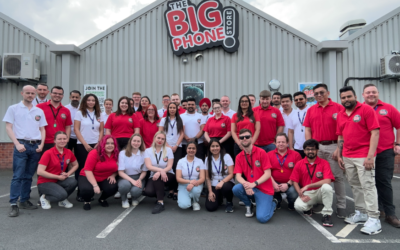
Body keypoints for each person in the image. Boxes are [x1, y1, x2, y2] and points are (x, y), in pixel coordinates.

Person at [337, 86, 382, 235]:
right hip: (348, 155)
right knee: (355, 185)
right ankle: (361, 212)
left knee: (368, 185)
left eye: (349, 96)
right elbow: (341, 136)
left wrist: (370, 156)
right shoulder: (341, 114)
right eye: (343, 98)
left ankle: (374, 219)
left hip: (364, 155)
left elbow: (375, 133)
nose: (346, 100)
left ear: (356, 96)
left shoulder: (366, 110)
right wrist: (340, 155)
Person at [303, 83, 347, 218]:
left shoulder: (339, 108)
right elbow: (308, 129)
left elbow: (345, 129)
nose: (319, 95)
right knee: (317, 176)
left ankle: (341, 206)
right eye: (316, 94)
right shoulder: (311, 110)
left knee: (338, 177)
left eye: (322, 92)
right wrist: (310, 147)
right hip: (317, 148)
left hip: (334, 146)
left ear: (328, 93)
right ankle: (320, 203)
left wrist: (339, 149)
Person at [3, 85, 47, 217]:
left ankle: (24, 200)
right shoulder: (14, 108)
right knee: (18, 176)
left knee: (28, 176)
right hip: (21, 145)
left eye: (32, 93)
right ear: (22, 93)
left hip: (35, 146)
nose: (30, 95)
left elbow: (42, 129)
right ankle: (13, 204)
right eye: (27, 93)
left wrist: (41, 145)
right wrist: (16, 144)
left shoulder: (38, 111)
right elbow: (8, 127)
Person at [362, 83, 400, 228]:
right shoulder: (360, 109)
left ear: (378, 93)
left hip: (384, 152)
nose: (371, 94)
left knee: (384, 182)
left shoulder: (388, 108)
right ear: (363, 95)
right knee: (368, 183)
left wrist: (398, 144)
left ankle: (390, 214)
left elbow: (399, 125)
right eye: (368, 92)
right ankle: (376, 209)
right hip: (365, 153)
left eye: (373, 92)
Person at [232, 129, 277, 223]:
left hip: (265, 190)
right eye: (241, 137)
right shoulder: (239, 156)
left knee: (262, 218)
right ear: (239, 140)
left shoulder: (261, 152)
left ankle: (273, 203)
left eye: (247, 137)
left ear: (252, 138)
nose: (244, 139)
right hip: (251, 188)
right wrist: (246, 184)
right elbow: (238, 176)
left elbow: (268, 173)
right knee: (236, 189)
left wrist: (253, 184)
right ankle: (249, 205)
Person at [291, 139, 335, 227]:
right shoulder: (299, 164)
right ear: (304, 151)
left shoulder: (324, 163)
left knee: (327, 187)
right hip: (308, 193)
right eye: (308, 149)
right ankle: (311, 207)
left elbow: (328, 181)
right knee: (298, 206)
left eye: (313, 149)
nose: (310, 151)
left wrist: (308, 185)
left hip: (320, 192)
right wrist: (300, 193)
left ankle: (327, 214)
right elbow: (294, 181)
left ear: (317, 150)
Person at [37, 131, 79, 209]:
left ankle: (62, 200)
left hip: (58, 180)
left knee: (73, 182)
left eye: (64, 139)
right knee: (62, 194)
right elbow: (40, 171)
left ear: (67, 140)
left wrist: (68, 173)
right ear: (55, 141)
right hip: (45, 182)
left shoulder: (68, 152)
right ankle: (44, 198)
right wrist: (57, 177)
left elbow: (76, 165)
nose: (62, 141)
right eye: (59, 139)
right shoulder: (48, 153)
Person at [73, 94, 104, 201]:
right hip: (82, 144)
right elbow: (76, 130)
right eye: (89, 100)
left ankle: (91, 190)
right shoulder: (79, 113)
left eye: (93, 100)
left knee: (94, 167)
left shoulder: (99, 114)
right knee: (82, 168)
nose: (91, 102)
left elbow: (101, 130)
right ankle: (81, 192)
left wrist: (99, 142)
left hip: (96, 144)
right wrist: (85, 144)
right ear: (85, 101)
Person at [78, 135, 119, 210]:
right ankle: (87, 201)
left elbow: (118, 169)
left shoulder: (117, 154)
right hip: (88, 176)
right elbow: (88, 170)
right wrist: (95, 185)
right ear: (102, 144)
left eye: (112, 143)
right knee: (86, 189)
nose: (110, 145)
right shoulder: (94, 152)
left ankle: (102, 199)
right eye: (107, 143)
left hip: (104, 177)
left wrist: (113, 175)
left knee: (113, 187)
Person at [143, 131, 177, 214]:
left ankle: (160, 203)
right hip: (154, 175)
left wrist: (161, 172)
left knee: (158, 178)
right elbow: (148, 166)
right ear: (154, 138)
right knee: (148, 192)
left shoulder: (168, 150)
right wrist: (160, 171)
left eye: (162, 139)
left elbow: (169, 166)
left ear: (165, 141)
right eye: (158, 138)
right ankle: (160, 192)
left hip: (169, 174)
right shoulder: (148, 151)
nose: (160, 140)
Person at [268, 133, 302, 210]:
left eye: (283, 142)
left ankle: (291, 203)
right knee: (267, 191)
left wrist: (288, 184)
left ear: (287, 143)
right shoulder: (269, 155)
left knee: (293, 193)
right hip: (274, 182)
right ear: (275, 143)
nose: (281, 144)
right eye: (278, 142)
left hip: (291, 183)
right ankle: (278, 200)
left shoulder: (296, 155)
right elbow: (267, 172)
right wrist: (274, 184)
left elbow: (298, 173)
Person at [36, 86, 72, 154]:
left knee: (60, 164)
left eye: (60, 94)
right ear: (50, 94)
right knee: (43, 163)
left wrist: (66, 140)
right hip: (44, 142)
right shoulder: (39, 107)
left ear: (62, 96)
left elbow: (68, 127)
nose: (57, 95)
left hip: (60, 143)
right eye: (55, 93)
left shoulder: (66, 110)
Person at [159, 102, 184, 198]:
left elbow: (182, 134)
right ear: (168, 109)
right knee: (168, 167)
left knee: (176, 168)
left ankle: (176, 190)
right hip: (166, 147)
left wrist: (176, 145)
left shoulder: (180, 119)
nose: (172, 109)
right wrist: (168, 145)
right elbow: (160, 133)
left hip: (177, 147)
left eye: (174, 107)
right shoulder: (163, 120)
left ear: (177, 109)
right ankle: (170, 189)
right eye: (170, 108)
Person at [118, 134, 147, 208]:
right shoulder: (122, 153)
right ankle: (124, 199)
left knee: (135, 192)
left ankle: (134, 198)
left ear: (141, 143)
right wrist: (132, 181)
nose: (136, 143)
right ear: (130, 141)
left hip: (138, 176)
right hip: (125, 177)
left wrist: (140, 179)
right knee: (124, 186)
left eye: (138, 141)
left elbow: (144, 171)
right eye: (134, 141)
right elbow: (120, 172)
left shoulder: (144, 154)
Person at [205, 139, 235, 212]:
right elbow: (207, 177)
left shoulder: (226, 156)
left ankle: (229, 202)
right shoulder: (207, 159)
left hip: (226, 182)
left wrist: (222, 182)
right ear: (209, 148)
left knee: (226, 187)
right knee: (210, 207)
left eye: (217, 146)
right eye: (213, 146)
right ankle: (219, 198)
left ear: (220, 147)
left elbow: (232, 174)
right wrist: (210, 192)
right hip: (214, 184)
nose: (215, 148)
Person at [176, 141, 206, 211]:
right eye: (189, 148)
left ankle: (195, 201)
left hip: (196, 183)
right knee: (183, 205)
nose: (191, 150)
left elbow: (202, 178)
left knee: (195, 191)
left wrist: (192, 183)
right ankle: (186, 199)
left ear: (196, 150)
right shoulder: (181, 161)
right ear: (186, 149)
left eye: (193, 148)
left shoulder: (200, 161)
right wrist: (190, 182)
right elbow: (178, 178)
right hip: (184, 183)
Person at [288, 92, 309, 158]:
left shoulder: (311, 111)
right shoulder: (292, 114)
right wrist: (291, 147)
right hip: (297, 148)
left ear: (306, 100)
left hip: (310, 147)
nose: (298, 101)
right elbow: (290, 132)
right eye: (296, 100)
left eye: (301, 99)